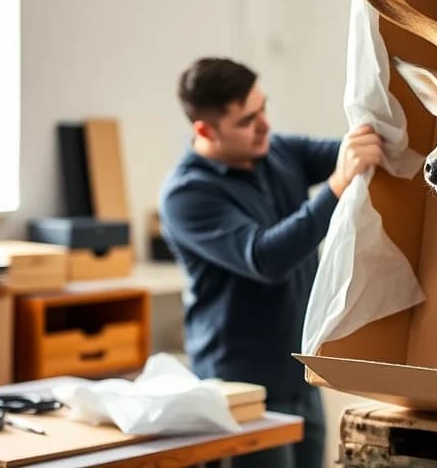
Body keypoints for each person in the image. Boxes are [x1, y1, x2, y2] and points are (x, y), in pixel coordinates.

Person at [160, 57, 384, 468]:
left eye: (263, 108)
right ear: (205, 130)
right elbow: (266, 257)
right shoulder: (186, 195)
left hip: (298, 367)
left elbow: (360, 152)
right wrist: (337, 186)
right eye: (246, 119)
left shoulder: (276, 151)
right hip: (240, 382)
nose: (264, 124)